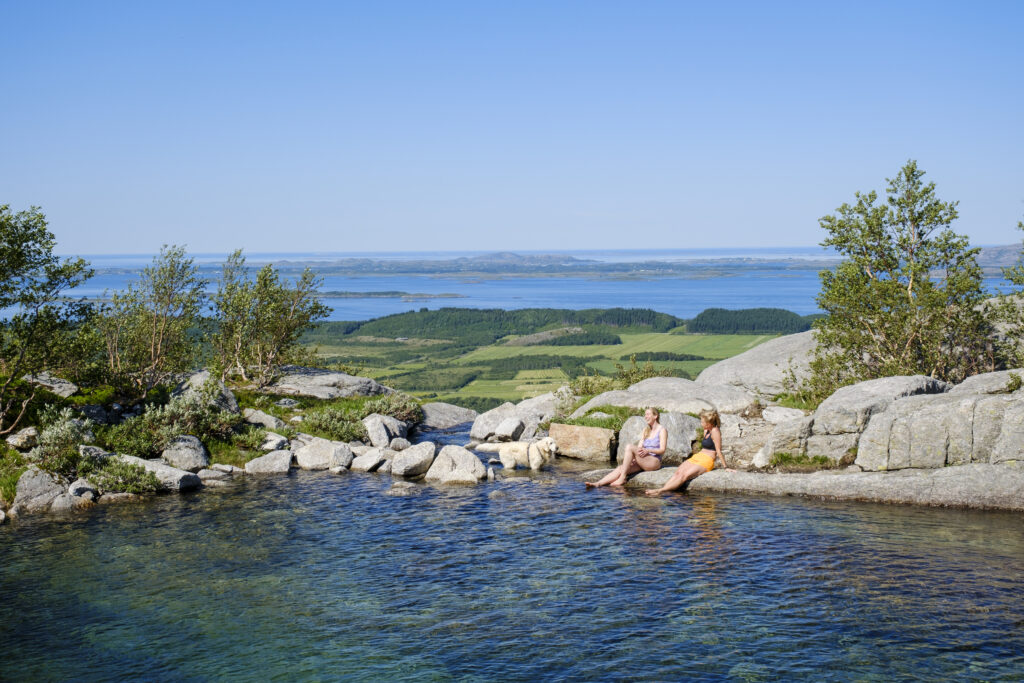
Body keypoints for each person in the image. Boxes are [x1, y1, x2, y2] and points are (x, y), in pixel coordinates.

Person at [645, 409, 732, 496]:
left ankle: (660, 491)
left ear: (709, 423)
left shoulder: (715, 431)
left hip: (707, 460)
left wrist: (726, 467)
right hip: (698, 456)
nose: (701, 424)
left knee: (685, 475)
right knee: (678, 472)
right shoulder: (706, 430)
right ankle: (664, 489)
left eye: (702, 422)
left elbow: (718, 451)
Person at [586, 408, 665, 488]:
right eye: (645, 415)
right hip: (643, 460)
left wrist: (648, 450)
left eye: (648, 414)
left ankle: (622, 477)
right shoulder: (646, 430)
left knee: (629, 447)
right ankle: (598, 483)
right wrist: (634, 458)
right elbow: (639, 447)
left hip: (654, 461)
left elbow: (662, 450)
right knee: (622, 468)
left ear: (655, 416)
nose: (645, 417)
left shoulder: (662, 430)